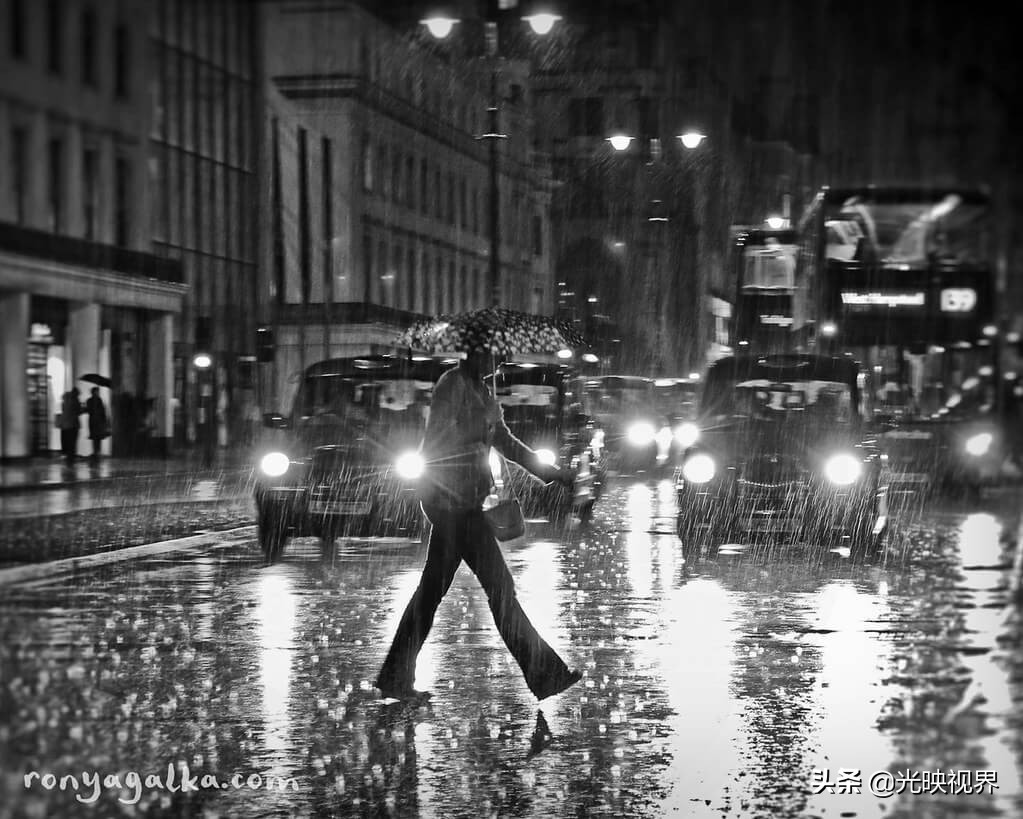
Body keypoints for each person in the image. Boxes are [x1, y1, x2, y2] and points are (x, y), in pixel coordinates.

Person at [376, 348, 582, 701]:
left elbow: (506, 443)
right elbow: (439, 442)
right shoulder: (453, 386)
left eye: (500, 358)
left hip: (464, 504)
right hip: (451, 505)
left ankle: (395, 676)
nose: (498, 363)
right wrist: (469, 448)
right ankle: (545, 674)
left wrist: (553, 474)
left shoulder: (482, 392)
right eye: (494, 356)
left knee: (431, 595)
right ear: (475, 354)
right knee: (500, 590)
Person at [59, 387, 86, 463]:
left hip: (64, 424)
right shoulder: (75, 400)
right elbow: (78, 411)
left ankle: (67, 456)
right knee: (72, 442)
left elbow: (64, 410)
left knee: (66, 441)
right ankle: (71, 458)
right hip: (73, 424)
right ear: (76, 393)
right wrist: (84, 408)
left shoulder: (65, 400)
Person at [85, 387, 109, 459]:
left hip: (97, 421)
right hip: (94, 421)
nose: (98, 393)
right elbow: (90, 410)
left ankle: (97, 452)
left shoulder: (98, 400)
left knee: (98, 436)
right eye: (97, 391)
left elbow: (102, 411)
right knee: (95, 437)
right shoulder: (91, 400)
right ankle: (96, 452)